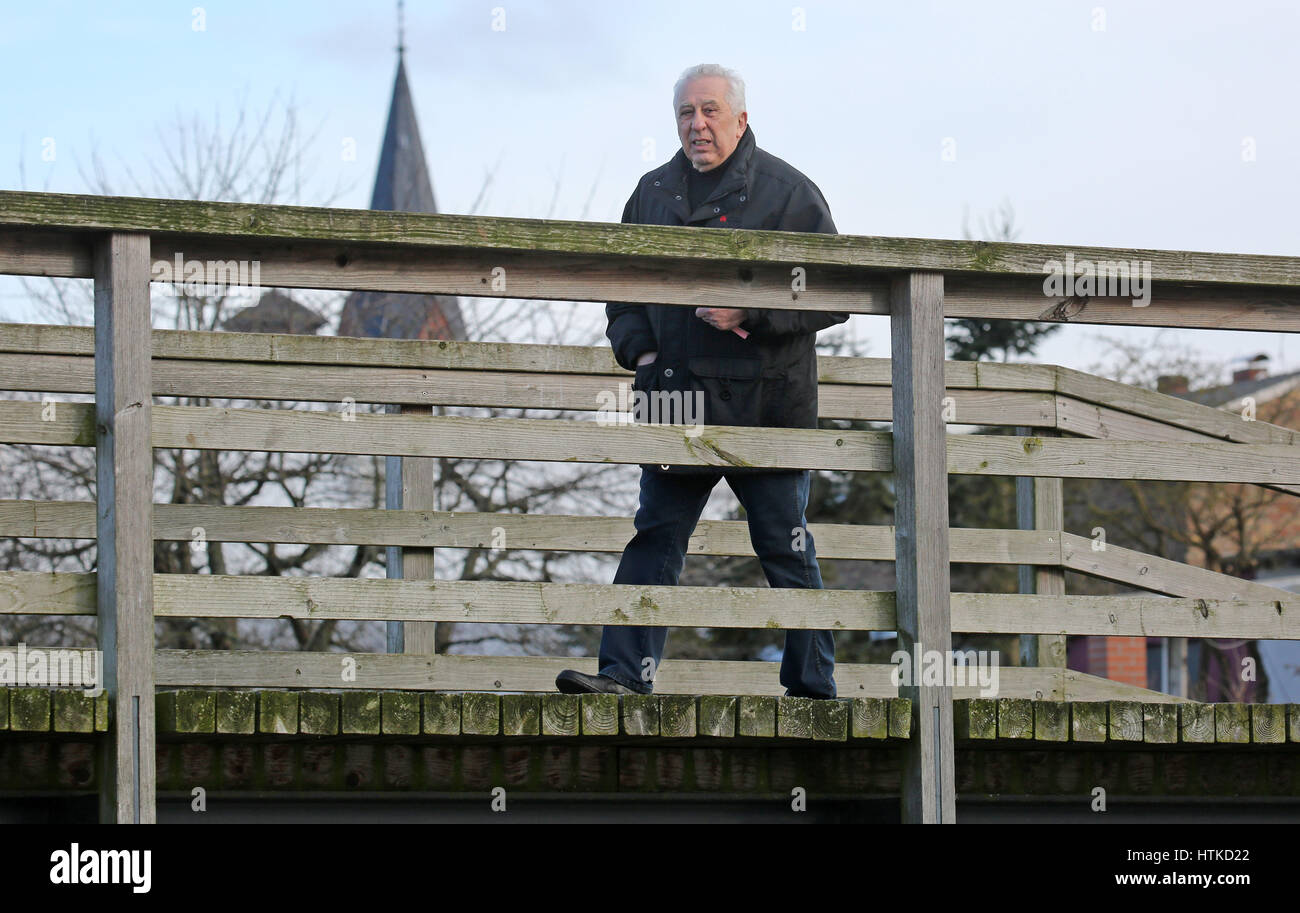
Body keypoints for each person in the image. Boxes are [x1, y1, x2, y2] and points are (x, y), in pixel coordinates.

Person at [555, 63, 848, 699]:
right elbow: (619, 287)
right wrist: (637, 351)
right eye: (686, 113)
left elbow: (834, 294)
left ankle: (815, 691)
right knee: (654, 538)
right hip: (675, 395)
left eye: (710, 111)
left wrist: (751, 312)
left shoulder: (788, 193)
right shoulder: (652, 192)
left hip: (766, 401)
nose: (697, 124)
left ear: (741, 118)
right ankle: (623, 678)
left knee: (784, 545)